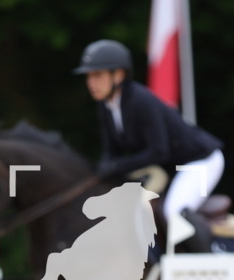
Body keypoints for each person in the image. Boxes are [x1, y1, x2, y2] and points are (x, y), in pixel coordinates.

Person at [74, 39, 224, 253]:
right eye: (88, 76)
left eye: (97, 75)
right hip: (170, 167)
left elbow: (158, 150)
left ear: (118, 75)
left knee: (174, 211)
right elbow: (112, 154)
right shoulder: (106, 106)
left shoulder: (140, 100)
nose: (91, 82)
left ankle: (212, 263)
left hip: (200, 161)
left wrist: (117, 167)